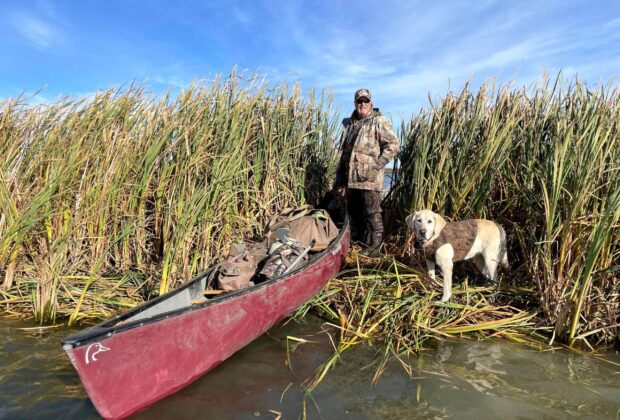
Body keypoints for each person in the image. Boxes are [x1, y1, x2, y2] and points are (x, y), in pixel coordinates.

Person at [334, 88, 400, 256]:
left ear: (370, 103)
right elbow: (343, 150)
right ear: (355, 103)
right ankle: (357, 244)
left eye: (365, 101)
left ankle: (375, 247)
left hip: (369, 177)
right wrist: (339, 176)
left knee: (372, 212)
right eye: (359, 101)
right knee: (354, 212)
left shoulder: (379, 121)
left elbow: (393, 145)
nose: (362, 104)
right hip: (350, 177)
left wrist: (378, 165)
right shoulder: (349, 123)